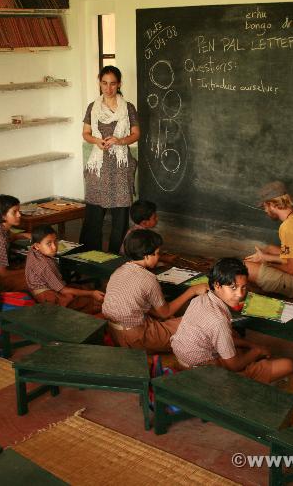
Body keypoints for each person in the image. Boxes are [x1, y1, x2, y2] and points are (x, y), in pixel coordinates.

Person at [171, 258, 293, 383]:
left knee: (233, 335)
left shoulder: (199, 299)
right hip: (204, 372)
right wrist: (257, 351)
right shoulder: (218, 320)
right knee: (287, 365)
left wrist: (253, 345)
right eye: (233, 287)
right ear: (217, 285)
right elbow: (233, 366)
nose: (240, 294)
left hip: (183, 359)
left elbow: (221, 337)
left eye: (244, 287)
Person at [102, 229, 207, 352]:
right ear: (146, 256)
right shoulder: (148, 279)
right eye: (157, 253)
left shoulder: (119, 271)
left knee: (172, 318)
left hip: (114, 332)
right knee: (197, 326)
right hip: (136, 337)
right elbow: (165, 313)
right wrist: (192, 291)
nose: (159, 256)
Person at [80, 65, 141, 253]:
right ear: (99, 82)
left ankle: (116, 258)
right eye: (104, 83)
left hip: (120, 166)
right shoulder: (93, 107)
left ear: (119, 84)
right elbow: (86, 133)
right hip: (98, 168)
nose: (108, 88)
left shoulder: (128, 107)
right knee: (94, 215)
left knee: (120, 215)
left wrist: (120, 140)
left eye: (113, 84)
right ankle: (91, 256)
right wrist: (97, 141)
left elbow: (136, 134)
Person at [25, 224, 104, 314]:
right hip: (48, 297)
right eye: (49, 243)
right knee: (91, 303)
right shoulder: (44, 266)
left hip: (42, 289)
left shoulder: (32, 250)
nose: (54, 247)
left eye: (55, 241)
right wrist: (91, 293)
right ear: (37, 246)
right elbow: (64, 290)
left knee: (82, 289)